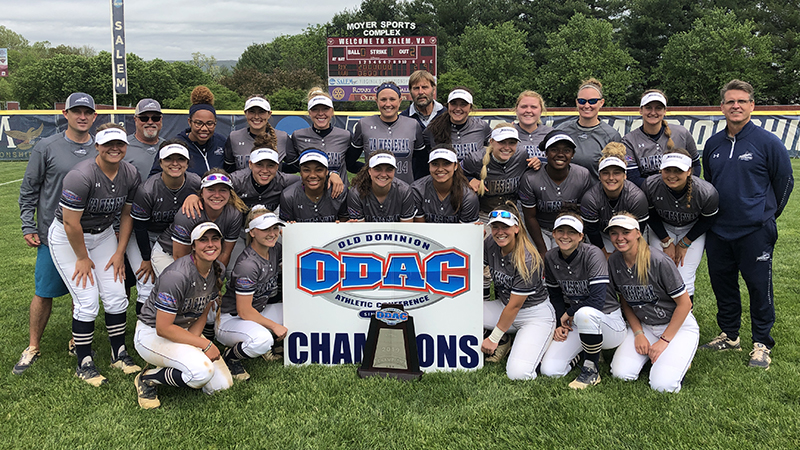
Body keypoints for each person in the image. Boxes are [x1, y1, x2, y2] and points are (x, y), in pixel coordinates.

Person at [699, 79, 794, 370]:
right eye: (730, 101)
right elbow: (709, 188)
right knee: (723, 284)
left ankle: (762, 343)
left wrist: (765, 216)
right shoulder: (713, 144)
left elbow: (785, 183)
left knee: (758, 286)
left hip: (755, 231)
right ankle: (730, 335)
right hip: (718, 231)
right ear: (722, 107)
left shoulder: (767, 142)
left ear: (752, 105)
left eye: (742, 101)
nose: (736, 106)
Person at [48, 124, 142, 386]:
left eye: (120, 144)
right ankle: (84, 362)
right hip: (70, 239)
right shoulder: (81, 175)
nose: (115, 148)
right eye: (108, 144)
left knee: (115, 294)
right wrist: (81, 257)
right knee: (87, 300)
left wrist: (120, 251)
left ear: (126, 146)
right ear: (97, 146)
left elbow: (126, 214)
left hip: (102, 237)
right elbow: (70, 223)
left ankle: (118, 353)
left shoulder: (130, 173)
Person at [15, 92, 98, 375]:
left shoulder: (100, 147)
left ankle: (78, 339)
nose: (82, 116)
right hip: (54, 233)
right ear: (66, 114)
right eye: (77, 111)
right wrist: (28, 224)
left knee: (82, 290)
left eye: (88, 112)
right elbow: (29, 189)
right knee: (44, 291)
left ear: (94, 116)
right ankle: (33, 346)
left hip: (89, 233)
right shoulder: (47, 146)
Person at [134, 222, 233, 409]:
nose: (210, 244)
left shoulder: (218, 268)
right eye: (203, 240)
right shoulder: (177, 275)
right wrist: (205, 344)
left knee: (222, 385)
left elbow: (203, 312)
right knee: (201, 373)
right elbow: (163, 328)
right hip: (152, 333)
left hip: (185, 329)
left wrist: (194, 343)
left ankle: (174, 366)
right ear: (193, 245)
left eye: (215, 239)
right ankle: (148, 379)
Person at [606, 214, 698, 392]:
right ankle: (658, 357)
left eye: (626, 232)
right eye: (614, 233)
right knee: (621, 373)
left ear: (638, 233)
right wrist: (638, 333)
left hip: (676, 327)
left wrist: (664, 340)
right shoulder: (614, 261)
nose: (619, 238)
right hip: (645, 325)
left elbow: (685, 304)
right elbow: (625, 301)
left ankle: (674, 356)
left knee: (662, 385)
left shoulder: (658, 261)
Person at [539, 211, 626, 389]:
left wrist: (568, 313)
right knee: (550, 370)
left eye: (571, 232)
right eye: (560, 231)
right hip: (578, 322)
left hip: (608, 320)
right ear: (553, 234)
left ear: (580, 236)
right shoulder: (550, 256)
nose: (565, 236)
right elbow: (555, 294)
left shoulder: (593, 253)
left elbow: (598, 300)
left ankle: (591, 370)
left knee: (586, 313)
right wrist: (560, 322)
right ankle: (584, 353)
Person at [481, 203, 555, 379]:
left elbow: (514, 307)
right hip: (504, 306)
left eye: (505, 227)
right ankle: (507, 340)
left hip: (533, 315)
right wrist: (472, 236)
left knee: (518, 373)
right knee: (462, 311)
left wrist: (494, 337)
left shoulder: (528, 259)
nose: (500, 232)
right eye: (495, 227)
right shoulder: (491, 243)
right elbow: (475, 267)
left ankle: (541, 346)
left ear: (516, 227)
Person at [128, 141, 201, 314]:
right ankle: (143, 330)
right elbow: (139, 227)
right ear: (160, 163)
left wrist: (195, 196)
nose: (175, 163)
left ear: (187, 162)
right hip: (145, 235)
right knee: (147, 284)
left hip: (176, 238)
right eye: (169, 159)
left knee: (182, 281)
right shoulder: (147, 190)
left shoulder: (195, 183)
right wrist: (146, 258)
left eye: (180, 159)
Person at [216, 207, 287, 380]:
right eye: (265, 229)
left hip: (256, 311)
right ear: (252, 232)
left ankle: (263, 341)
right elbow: (244, 311)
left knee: (297, 313)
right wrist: (274, 326)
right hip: (231, 319)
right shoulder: (248, 264)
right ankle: (230, 358)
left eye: (275, 228)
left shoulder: (274, 249)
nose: (272, 233)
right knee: (263, 341)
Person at [642, 149, 719, 301]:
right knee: (659, 273)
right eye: (667, 170)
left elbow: (708, 220)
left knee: (685, 276)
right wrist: (666, 241)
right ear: (661, 169)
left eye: (678, 170)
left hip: (692, 229)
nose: (672, 175)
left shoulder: (706, 192)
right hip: (662, 228)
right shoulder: (651, 185)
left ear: (689, 171)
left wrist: (685, 243)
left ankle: (685, 321)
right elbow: (650, 215)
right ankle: (660, 317)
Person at [519, 131, 593, 255]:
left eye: (566, 150)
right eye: (554, 150)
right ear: (546, 153)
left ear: (573, 154)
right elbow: (530, 217)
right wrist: (542, 252)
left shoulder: (582, 175)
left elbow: (583, 213)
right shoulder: (531, 177)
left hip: (569, 228)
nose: (560, 154)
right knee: (536, 261)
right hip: (540, 228)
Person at [580, 143, 649, 257]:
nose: (611, 178)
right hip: (602, 234)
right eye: (606, 173)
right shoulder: (590, 198)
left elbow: (639, 229)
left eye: (616, 173)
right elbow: (592, 230)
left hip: (630, 234)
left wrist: (621, 251)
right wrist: (604, 254)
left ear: (625, 175)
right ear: (599, 176)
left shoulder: (636, 197)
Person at [622, 90, 700, 188]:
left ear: (664, 111)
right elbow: (633, 178)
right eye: (648, 108)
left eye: (658, 108)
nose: (653, 112)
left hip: (681, 194)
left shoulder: (681, 133)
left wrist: (685, 189)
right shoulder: (629, 140)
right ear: (641, 110)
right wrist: (662, 192)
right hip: (648, 197)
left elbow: (695, 165)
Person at [351, 81, 426, 184]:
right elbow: (349, 161)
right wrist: (368, 170)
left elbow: (422, 161)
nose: (388, 104)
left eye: (392, 99)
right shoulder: (364, 124)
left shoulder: (413, 125)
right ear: (376, 101)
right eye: (383, 100)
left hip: (405, 191)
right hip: (373, 190)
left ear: (400, 101)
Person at [149, 86, 226, 177]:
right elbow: (154, 178)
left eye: (209, 123)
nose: (204, 128)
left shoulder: (221, 142)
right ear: (189, 122)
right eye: (199, 123)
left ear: (215, 123)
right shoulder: (175, 145)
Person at [288, 88, 356, 190]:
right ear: (309, 112)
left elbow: (350, 164)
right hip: (310, 193)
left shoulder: (345, 136)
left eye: (325, 109)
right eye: (315, 109)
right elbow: (294, 166)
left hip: (339, 194)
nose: (320, 113)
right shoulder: (298, 136)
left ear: (332, 111)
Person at [557, 78, 622, 181]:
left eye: (592, 101)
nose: (587, 106)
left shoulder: (611, 135)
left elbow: (615, 175)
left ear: (601, 103)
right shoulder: (562, 131)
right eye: (582, 101)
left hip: (596, 194)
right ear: (576, 102)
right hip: (565, 193)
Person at [462, 124, 530, 222]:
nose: (507, 147)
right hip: (484, 214)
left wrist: (537, 164)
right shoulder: (475, 159)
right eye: (502, 142)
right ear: (491, 142)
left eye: (512, 143)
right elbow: (454, 174)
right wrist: (468, 179)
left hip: (513, 212)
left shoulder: (522, 155)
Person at [412, 145, 479, 224]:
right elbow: (420, 228)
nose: (440, 169)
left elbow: (464, 232)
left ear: (455, 166)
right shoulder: (417, 190)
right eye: (435, 164)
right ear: (429, 166)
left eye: (446, 164)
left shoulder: (468, 196)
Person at [224, 95, 292, 172]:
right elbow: (228, 168)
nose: (256, 116)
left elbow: (294, 166)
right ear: (245, 113)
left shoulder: (282, 137)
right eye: (252, 112)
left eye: (261, 112)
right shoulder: (234, 137)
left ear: (269, 114)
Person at [279, 149, 349, 223]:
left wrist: (341, 225)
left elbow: (344, 220)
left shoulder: (339, 191)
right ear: (301, 172)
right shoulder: (289, 196)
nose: (312, 175)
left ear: (327, 172)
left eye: (319, 170)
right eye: (306, 170)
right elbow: (285, 228)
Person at [425, 87, 491, 162]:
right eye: (453, 104)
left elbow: (494, 148)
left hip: (475, 173)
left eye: (463, 104)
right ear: (448, 106)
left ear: (470, 108)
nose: (458, 108)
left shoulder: (482, 127)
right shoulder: (434, 128)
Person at [348, 151, 416, 222]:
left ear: (394, 171)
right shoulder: (356, 193)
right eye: (377, 169)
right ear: (369, 171)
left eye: (389, 169)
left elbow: (406, 228)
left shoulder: (404, 191)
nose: (383, 174)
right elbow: (359, 229)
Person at [126, 98, 165, 182]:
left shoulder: (168, 147)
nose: (150, 122)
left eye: (155, 118)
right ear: (135, 120)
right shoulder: (123, 146)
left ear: (161, 120)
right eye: (144, 118)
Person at [514, 90, 553, 163]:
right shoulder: (508, 133)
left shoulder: (551, 134)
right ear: (516, 109)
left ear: (541, 110)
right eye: (524, 106)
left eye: (533, 107)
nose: (528, 110)